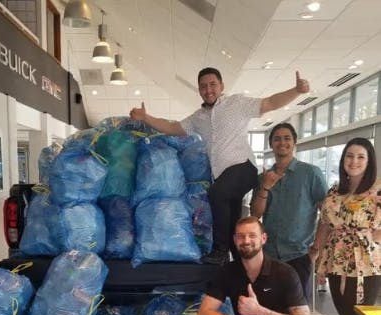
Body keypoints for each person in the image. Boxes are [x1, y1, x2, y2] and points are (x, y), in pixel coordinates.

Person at [129, 68, 310, 265]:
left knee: (216, 194)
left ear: (222, 86)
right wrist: (147, 118)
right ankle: (240, 264)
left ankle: (220, 250)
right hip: (224, 177)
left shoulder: (237, 103)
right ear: (199, 90)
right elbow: (173, 128)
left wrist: (296, 91)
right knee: (232, 223)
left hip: (243, 168)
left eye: (213, 84)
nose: (208, 90)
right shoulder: (197, 118)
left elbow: (270, 102)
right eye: (204, 86)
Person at [250, 123, 327, 315]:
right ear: (271, 144)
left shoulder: (310, 174)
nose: (282, 143)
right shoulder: (266, 176)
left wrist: (317, 246)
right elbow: (256, 213)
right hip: (269, 256)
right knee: (271, 312)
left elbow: (325, 211)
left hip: (298, 254)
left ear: (294, 143)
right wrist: (266, 187)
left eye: (286, 139)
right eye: (277, 139)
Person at [309, 138, 380, 315]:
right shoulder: (335, 190)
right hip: (336, 263)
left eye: (361, 157)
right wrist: (316, 252)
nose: (354, 161)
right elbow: (325, 224)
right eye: (349, 156)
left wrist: (374, 236)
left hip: (365, 267)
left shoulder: (377, 191)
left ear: (369, 161)